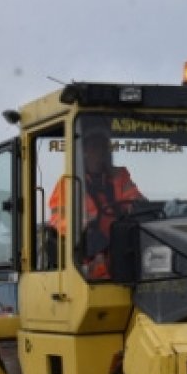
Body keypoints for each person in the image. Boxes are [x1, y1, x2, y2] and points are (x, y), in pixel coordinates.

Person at [48, 118, 143, 278]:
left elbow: (135, 201)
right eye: (95, 146)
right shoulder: (68, 182)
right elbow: (58, 219)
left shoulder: (120, 175)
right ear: (84, 150)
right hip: (86, 257)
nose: (101, 151)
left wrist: (140, 208)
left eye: (104, 146)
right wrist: (82, 229)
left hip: (122, 249)